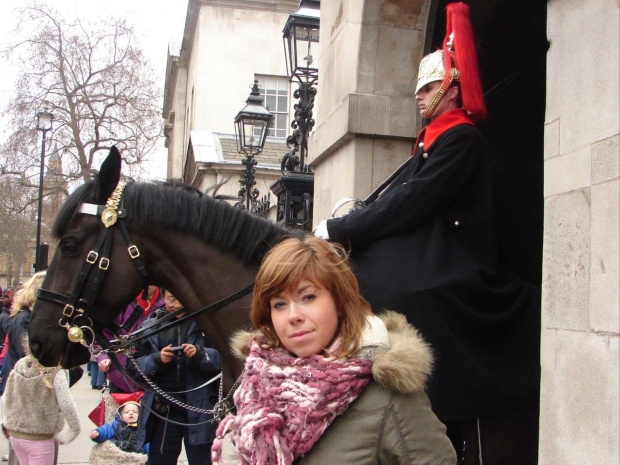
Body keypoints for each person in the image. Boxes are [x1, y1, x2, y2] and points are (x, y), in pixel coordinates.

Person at [314, 3, 540, 463]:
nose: (419, 95)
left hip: (459, 259)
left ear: (453, 88)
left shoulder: (461, 140)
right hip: (434, 247)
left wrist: (342, 227)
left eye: (430, 86)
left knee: (407, 288)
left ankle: (440, 408)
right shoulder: (435, 140)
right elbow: (397, 197)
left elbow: (414, 202)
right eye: (419, 87)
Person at [211, 236, 456, 465]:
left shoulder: (389, 394)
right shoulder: (256, 386)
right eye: (280, 304)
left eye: (307, 297)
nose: (293, 316)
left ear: (339, 301)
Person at [127, 290, 222, 465]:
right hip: (163, 412)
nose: (177, 305)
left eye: (181, 299)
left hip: (199, 411)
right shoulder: (152, 325)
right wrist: (156, 359)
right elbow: (132, 365)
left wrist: (200, 355)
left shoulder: (206, 321)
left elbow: (224, 359)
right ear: (163, 297)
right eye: (171, 299)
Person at [0, 353, 81, 465]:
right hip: (40, 437)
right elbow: (66, 403)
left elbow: (6, 396)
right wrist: (73, 431)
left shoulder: (21, 364)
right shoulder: (55, 370)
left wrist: (5, 421)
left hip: (17, 435)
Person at [97, 285, 165, 393]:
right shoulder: (121, 300)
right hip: (120, 374)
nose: (147, 285)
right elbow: (103, 334)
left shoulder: (168, 303)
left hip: (156, 376)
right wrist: (104, 357)